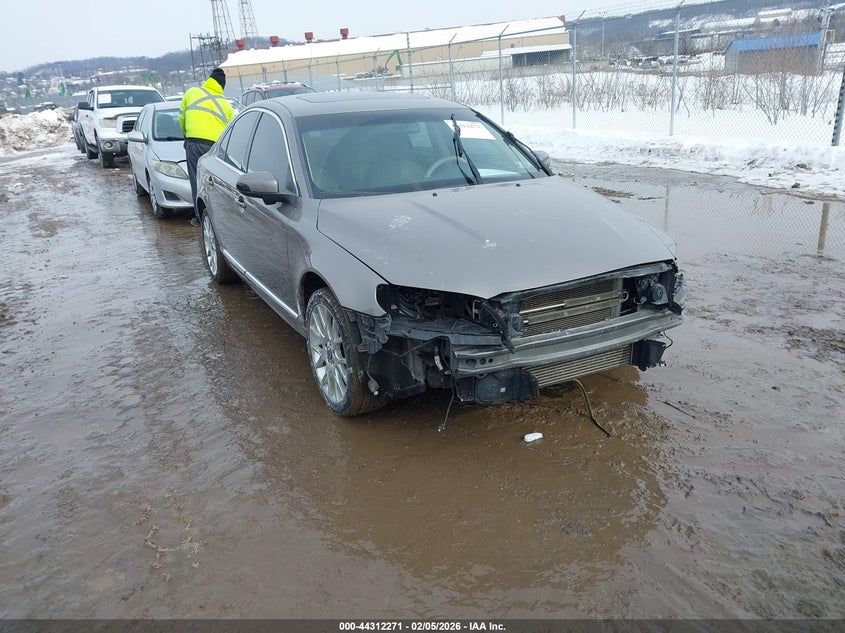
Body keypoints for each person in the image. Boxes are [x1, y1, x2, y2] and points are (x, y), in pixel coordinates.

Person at [179, 67, 234, 226]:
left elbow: (181, 117)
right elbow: (230, 129)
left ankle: (200, 218)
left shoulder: (191, 93)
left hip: (194, 142)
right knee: (216, 182)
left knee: (196, 180)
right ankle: (221, 217)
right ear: (221, 86)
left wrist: (186, 135)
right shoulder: (225, 104)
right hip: (215, 147)